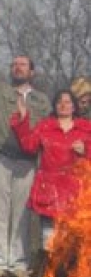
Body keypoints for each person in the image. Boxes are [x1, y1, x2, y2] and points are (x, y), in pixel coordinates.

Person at [0, 9, 52, 277]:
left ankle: (18, 261)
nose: (17, 68)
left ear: (32, 71)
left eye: (22, 65)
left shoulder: (42, 101)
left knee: (22, 213)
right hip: (0, 156)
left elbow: (47, 133)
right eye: (14, 65)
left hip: (28, 162)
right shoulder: (0, 90)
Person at [11, 88, 91, 251]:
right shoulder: (45, 126)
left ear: (74, 106)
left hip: (76, 191)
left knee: (72, 238)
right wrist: (23, 119)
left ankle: (69, 265)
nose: (63, 105)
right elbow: (28, 146)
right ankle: (48, 264)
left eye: (67, 102)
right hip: (50, 190)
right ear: (54, 106)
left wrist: (86, 150)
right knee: (49, 239)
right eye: (59, 102)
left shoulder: (86, 128)